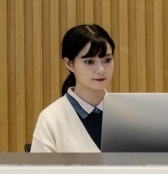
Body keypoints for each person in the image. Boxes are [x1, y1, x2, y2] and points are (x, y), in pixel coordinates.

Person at [30, 24, 115, 152]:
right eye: (89, 62)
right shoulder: (51, 119)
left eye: (107, 60)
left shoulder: (127, 115)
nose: (101, 70)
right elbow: (40, 166)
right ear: (70, 64)